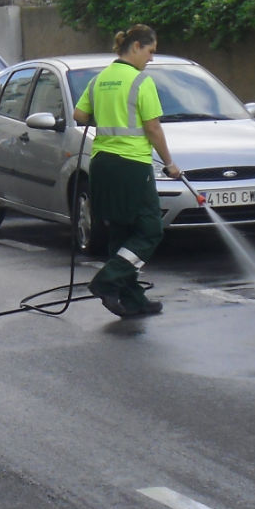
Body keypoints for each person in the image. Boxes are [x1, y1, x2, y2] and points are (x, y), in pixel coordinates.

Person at [73, 23, 185, 319]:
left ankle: (132, 298)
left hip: (102, 164)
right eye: (150, 51)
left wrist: (108, 111)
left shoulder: (100, 79)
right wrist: (170, 164)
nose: (151, 58)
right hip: (132, 166)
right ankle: (107, 281)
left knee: (121, 230)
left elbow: (79, 114)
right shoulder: (140, 82)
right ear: (136, 46)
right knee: (149, 229)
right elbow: (153, 128)